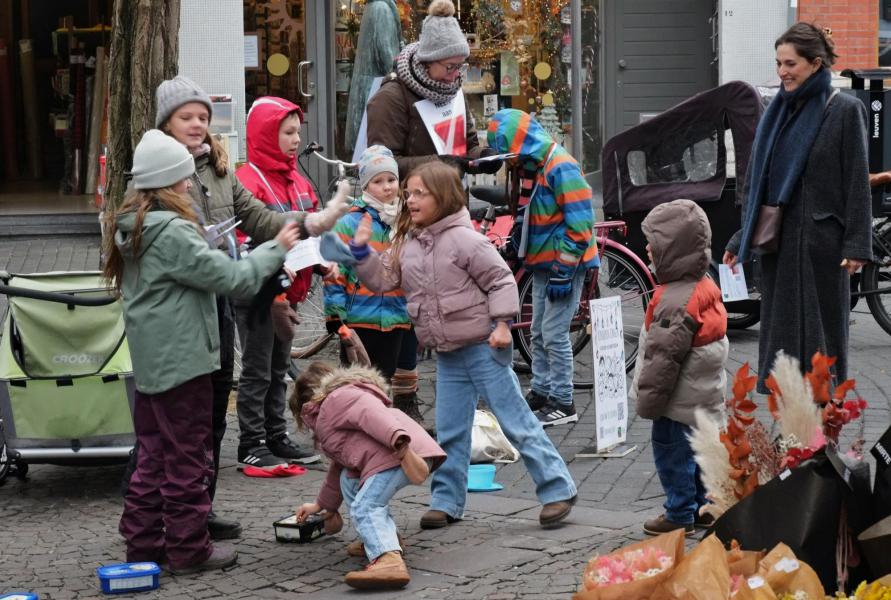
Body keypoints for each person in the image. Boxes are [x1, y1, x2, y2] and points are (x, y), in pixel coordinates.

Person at [151, 75, 351, 539]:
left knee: (213, 410)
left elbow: (259, 219)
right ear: (166, 123)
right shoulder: (158, 173)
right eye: (187, 117)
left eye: (203, 116)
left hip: (219, 304)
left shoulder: (219, 170)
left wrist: (312, 222)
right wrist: (268, 276)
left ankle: (200, 510)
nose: (198, 124)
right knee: (177, 422)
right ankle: (161, 522)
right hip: (181, 311)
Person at [102, 129, 300, 574]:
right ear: (168, 184)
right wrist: (277, 247)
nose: (191, 185)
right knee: (189, 456)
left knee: (153, 456)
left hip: (154, 361)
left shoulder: (134, 225)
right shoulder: (170, 230)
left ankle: (144, 545)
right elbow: (235, 280)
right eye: (184, 179)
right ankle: (190, 549)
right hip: (185, 361)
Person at [350, 161, 577, 530]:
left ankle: (557, 489)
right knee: (451, 431)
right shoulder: (407, 242)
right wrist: (361, 254)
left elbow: (501, 281)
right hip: (448, 353)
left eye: (418, 193)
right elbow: (383, 279)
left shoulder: (466, 239)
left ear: (443, 196)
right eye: (408, 193)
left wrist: (503, 325)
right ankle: (447, 501)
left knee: (516, 422)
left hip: (484, 347)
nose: (409, 200)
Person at [365, 0, 503, 428]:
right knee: (411, 304)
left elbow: (469, 141)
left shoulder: (453, 91)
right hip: (409, 214)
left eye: (461, 67)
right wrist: (442, 162)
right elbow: (381, 161)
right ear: (427, 62)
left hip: (449, 211)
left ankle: (442, 397)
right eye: (449, 67)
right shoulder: (391, 98)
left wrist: (483, 157)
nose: (457, 76)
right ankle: (400, 399)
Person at [723, 23, 872, 392]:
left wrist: (857, 245)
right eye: (778, 63)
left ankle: (824, 436)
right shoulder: (777, 113)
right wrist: (740, 238)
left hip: (824, 249)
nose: (782, 72)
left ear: (815, 63)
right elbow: (761, 185)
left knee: (823, 344)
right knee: (783, 350)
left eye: (790, 63)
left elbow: (856, 182)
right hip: (780, 248)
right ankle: (792, 431)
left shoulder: (845, 112)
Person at [486, 108, 598, 427]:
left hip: (564, 264)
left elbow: (580, 225)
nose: (510, 162)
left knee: (554, 332)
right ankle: (541, 390)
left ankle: (563, 401)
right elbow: (527, 212)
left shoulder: (561, 167)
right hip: (543, 263)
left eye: (511, 154)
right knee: (537, 331)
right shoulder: (533, 167)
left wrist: (564, 270)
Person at [291, 361, 446, 590]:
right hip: (392, 454)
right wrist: (323, 505)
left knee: (366, 505)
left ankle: (387, 560)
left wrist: (398, 440)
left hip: (398, 452)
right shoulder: (339, 402)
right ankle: (383, 539)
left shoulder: (337, 399)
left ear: (306, 404)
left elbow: (370, 413)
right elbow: (340, 466)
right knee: (350, 479)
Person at [629, 199, 729, 536]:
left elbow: (662, 358)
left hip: (676, 402)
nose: (647, 248)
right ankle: (704, 507)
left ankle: (679, 512)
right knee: (699, 454)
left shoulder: (673, 300)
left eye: (653, 244)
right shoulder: (705, 285)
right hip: (701, 396)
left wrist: (650, 402)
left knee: (673, 457)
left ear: (672, 251)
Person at [232, 97, 321, 470]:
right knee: (256, 368)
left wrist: (323, 262)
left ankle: (276, 435)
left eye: (297, 133)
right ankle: (251, 442)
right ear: (266, 134)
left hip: (290, 291)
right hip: (260, 295)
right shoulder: (247, 181)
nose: (295, 140)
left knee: (278, 367)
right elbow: (241, 242)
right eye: (286, 132)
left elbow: (312, 225)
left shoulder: (298, 180)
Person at [323, 145, 411, 381]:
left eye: (391, 179)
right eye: (378, 181)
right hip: (359, 319)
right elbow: (334, 273)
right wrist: (336, 318)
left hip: (395, 318)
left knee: (385, 380)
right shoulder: (350, 222)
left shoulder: (405, 220)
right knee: (356, 382)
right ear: (365, 186)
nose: (387, 186)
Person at [345, 0, 403, 155]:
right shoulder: (380, 8)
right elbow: (385, 53)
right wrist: (402, 75)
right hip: (375, 87)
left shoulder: (374, 7)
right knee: (372, 149)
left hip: (371, 85)